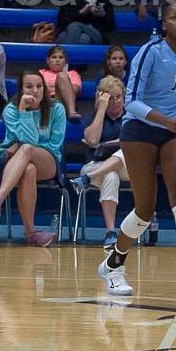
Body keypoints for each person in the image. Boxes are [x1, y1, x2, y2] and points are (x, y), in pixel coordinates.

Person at [95, 2, 176, 306]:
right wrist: (166, 119)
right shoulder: (151, 51)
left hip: (172, 132)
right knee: (145, 208)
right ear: (164, 24)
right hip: (140, 129)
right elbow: (131, 100)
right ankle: (112, 265)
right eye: (174, 18)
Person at [0, 70, 64, 246]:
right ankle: (31, 233)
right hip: (13, 162)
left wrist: (26, 145)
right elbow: (26, 141)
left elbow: (53, 144)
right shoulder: (10, 109)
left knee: (26, 148)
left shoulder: (57, 109)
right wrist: (23, 110)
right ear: (21, 89)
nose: (35, 91)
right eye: (29, 86)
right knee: (29, 169)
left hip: (49, 160)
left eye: (39, 86)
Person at [76, 75, 127, 247]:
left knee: (124, 153)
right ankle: (111, 232)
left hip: (127, 168)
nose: (115, 101)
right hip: (94, 166)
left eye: (118, 97)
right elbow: (92, 140)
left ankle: (87, 179)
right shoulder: (93, 117)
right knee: (111, 175)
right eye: (110, 98)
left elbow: (129, 144)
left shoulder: (130, 118)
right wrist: (101, 110)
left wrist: (104, 145)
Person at [40, 44, 83, 121]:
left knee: (62, 75)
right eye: (54, 57)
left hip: (63, 103)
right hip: (45, 102)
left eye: (61, 57)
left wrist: (49, 87)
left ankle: (72, 112)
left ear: (65, 61)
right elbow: (37, 88)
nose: (57, 60)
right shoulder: (41, 73)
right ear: (47, 60)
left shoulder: (72, 74)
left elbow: (75, 90)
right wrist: (59, 86)